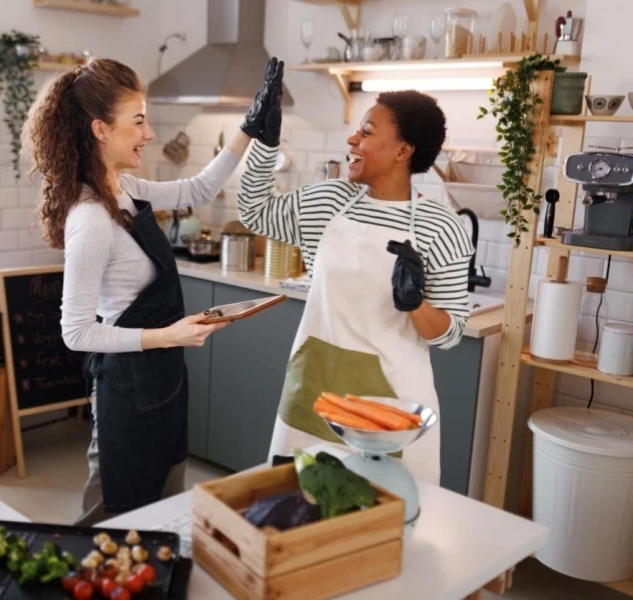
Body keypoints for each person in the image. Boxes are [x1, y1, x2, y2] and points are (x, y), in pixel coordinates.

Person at [25, 57, 285, 524]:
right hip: (125, 389)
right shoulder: (90, 217)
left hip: (164, 380)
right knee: (111, 523)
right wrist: (169, 335)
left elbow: (200, 189)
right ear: (101, 129)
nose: (148, 133)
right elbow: (77, 333)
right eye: (138, 120)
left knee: (163, 510)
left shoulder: (125, 188)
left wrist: (248, 129)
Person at [238, 84, 473, 485]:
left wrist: (415, 303)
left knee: (385, 521)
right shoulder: (331, 200)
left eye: (366, 131)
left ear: (403, 151)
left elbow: (449, 334)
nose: (353, 139)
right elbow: (254, 211)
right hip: (315, 390)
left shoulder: (443, 227)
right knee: (298, 506)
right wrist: (265, 142)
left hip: (390, 408)